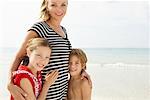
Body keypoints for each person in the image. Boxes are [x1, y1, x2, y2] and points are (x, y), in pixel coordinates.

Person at [7, 0, 91, 99]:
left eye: (63, 5)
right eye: (53, 5)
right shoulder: (39, 28)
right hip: (46, 96)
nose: (59, 9)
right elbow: (19, 56)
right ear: (46, 6)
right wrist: (9, 83)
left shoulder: (63, 31)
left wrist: (81, 71)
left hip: (62, 95)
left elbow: (65, 59)